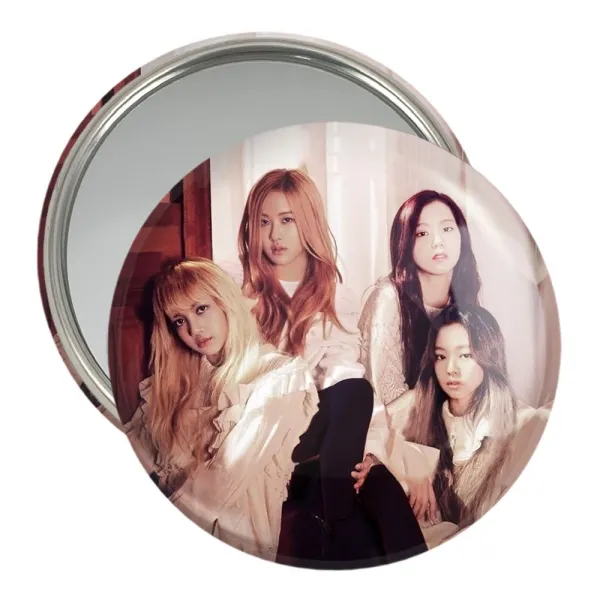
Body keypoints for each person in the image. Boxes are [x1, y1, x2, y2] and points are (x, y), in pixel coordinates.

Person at [234, 168, 429, 566]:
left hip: (319, 431)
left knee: (375, 474)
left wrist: (366, 451)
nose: (275, 235)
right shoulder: (240, 294)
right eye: (264, 222)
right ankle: (339, 519)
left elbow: (344, 376)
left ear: (307, 223)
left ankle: (336, 521)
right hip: (268, 427)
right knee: (355, 409)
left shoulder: (335, 296)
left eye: (287, 220)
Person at [123, 258, 320, 562]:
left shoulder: (279, 378)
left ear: (225, 302)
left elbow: (223, 479)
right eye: (179, 320)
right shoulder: (174, 385)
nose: (194, 329)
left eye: (201, 309)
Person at [354, 305, 551, 540]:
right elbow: (369, 432)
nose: (450, 369)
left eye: (465, 355)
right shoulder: (418, 404)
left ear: (488, 354)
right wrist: (409, 463)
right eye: (441, 356)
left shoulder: (522, 424)